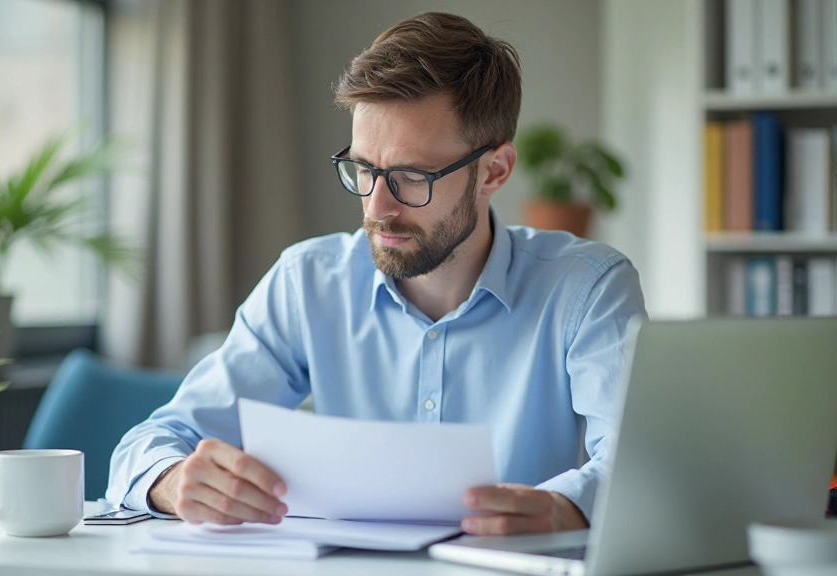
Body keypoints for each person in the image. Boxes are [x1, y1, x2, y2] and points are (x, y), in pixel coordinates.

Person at [107, 11, 646, 537]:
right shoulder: (308, 283)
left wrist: (564, 509)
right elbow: (152, 440)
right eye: (364, 169)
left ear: (495, 171)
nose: (378, 207)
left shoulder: (587, 290)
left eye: (412, 177)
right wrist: (173, 481)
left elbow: (645, 466)